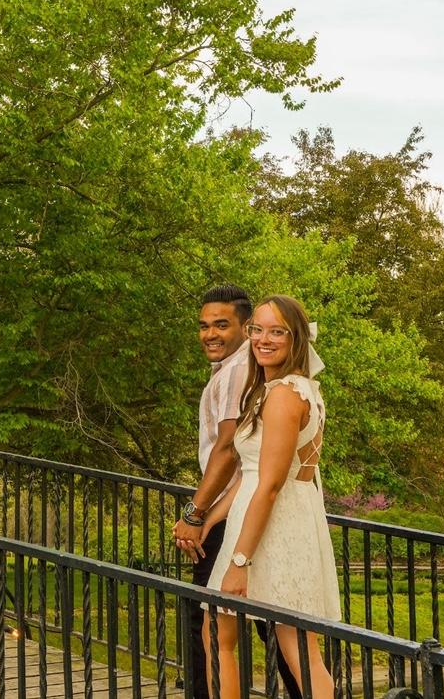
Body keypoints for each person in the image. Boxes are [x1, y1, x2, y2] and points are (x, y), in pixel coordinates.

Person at [201, 295, 340, 699]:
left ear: (296, 338)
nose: (263, 339)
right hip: (270, 521)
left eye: (276, 331)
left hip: (272, 530)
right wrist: (209, 518)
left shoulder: (284, 395)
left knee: (293, 646)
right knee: (231, 634)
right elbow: (251, 474)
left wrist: (239, 562)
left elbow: (271, 484)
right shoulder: (287, 389)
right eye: (257, 329)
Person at [172, 285, 302, 699]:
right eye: (204, 326)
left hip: (235, 515)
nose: (210, 334)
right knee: (276, 626)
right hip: (236, 510)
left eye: (221, 325)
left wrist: (196, 514)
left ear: (245, 328)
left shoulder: (237, 371)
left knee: (212, 625)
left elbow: (229, 449)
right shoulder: (243, 371)